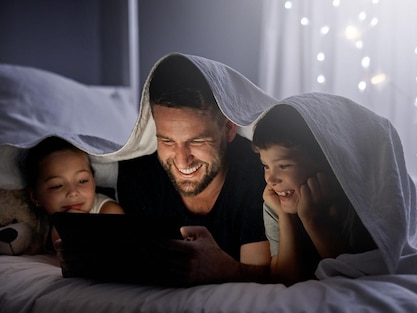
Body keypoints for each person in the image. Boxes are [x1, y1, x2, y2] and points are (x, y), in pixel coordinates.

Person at [58, 53, 276, 285]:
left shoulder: (257, 173)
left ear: (229, 129)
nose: (182, 161)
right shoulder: (140, 172)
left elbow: (260, 279)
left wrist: (222, 268)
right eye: (167, 141)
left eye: (198, 141)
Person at [252, 104, 377, 285]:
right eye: (266, 166)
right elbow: (287, 281)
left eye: (284, 166)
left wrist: (313, 219)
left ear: (326, 162)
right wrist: (285, 216)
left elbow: (354, 279)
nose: (271, 179)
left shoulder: (355, 203)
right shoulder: (275, 203)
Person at [22, 135, 124, 252]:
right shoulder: (31, 221)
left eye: (82, 181)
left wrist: (70, 224)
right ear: (35, 197)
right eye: (57, 186)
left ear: (94, 181)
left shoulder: (108, 211)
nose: (73, 192)